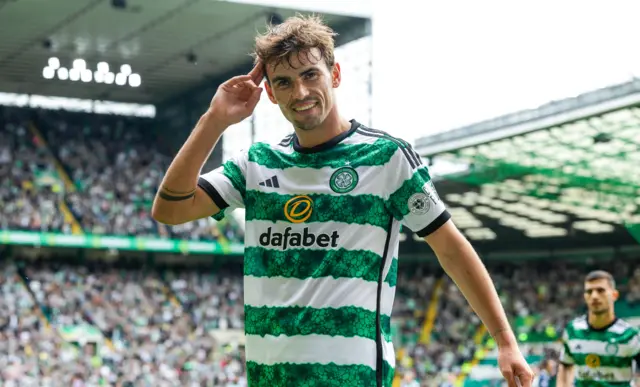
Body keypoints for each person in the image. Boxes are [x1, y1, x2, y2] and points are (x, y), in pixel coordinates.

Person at [151, 14, 533, 387]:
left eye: (310, 75)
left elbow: (451, 248)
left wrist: (504, 341)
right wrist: (214, 121)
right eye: (283, 82)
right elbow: (170, 209)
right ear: (269, 93)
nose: (299, 93)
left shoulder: (386, 157)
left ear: (334, 75)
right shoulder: (255, 163)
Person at [556, 270, 640, 387]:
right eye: (589, 291)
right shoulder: (573, 331)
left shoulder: (630, 334)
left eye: (601, 290)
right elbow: (565, 366)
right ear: (585, 296)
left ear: (614, 295)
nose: (594, 296)